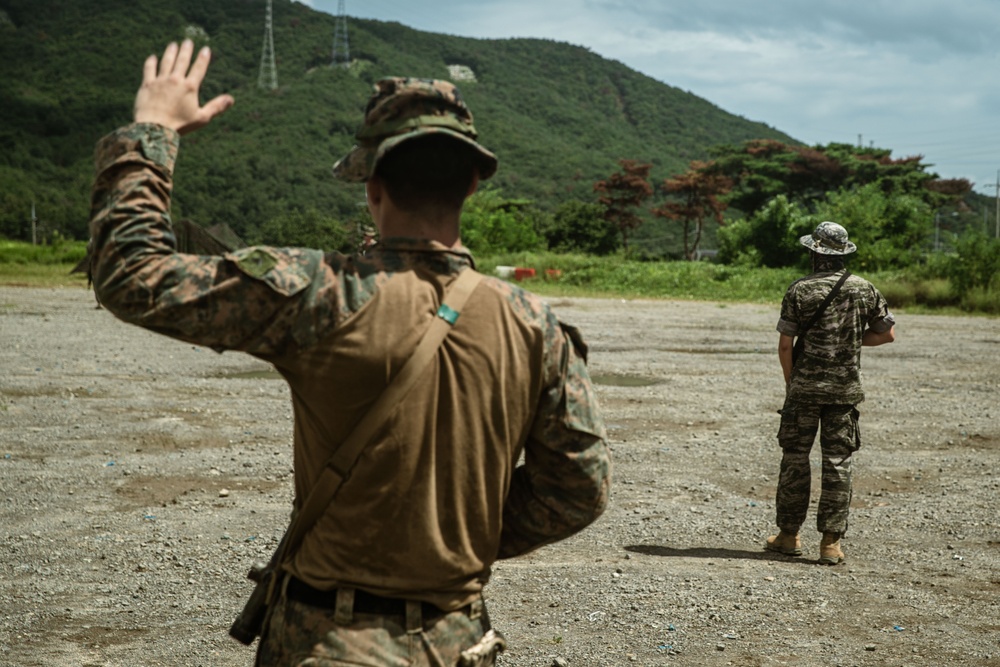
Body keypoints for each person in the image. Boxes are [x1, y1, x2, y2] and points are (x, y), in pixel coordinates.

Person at [88, 40, 611, 666]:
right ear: (472, 184)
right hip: (460, 642)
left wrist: (151, 131)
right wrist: (450, 541)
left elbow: (132, 274)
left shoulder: (322, 295)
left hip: (328, 642)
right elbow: (579, 486)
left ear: (372, 184)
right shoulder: (535, 325)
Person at [765, 221, 895, 565]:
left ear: (814, 253)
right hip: (844, 392)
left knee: (795, 461)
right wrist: (851, 340)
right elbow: (886, 335)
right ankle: (830, 544)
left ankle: (789, 536)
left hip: (804, 389)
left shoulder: (799, 291)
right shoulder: (865, 289)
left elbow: (784, 345)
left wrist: (791, 384)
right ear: (842, 254)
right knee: (838, 463)